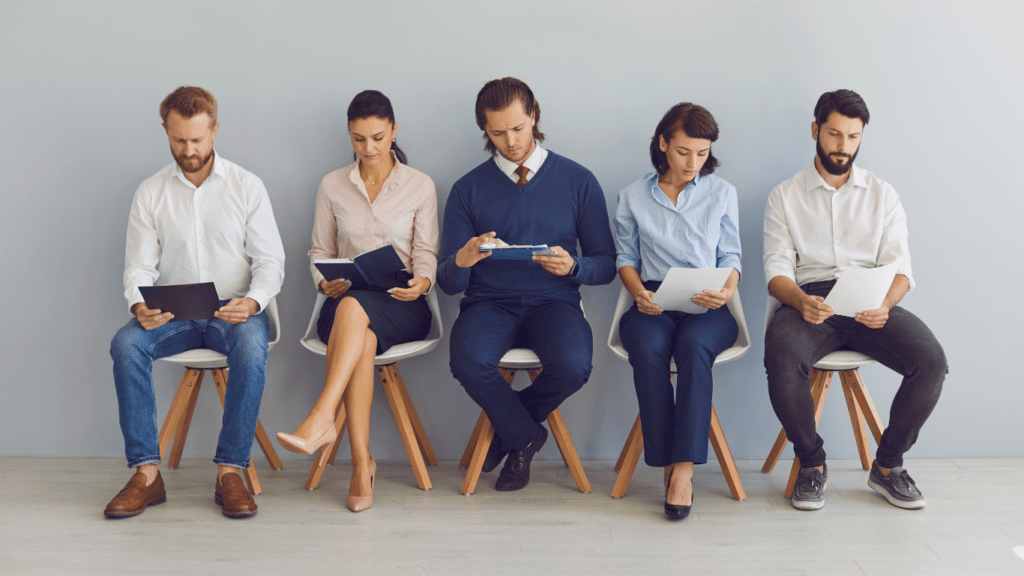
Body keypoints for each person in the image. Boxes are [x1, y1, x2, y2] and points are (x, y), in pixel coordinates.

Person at [106, 86, 285, 519]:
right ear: (166, 131)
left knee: (249, 346)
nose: (189, 150)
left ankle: (230, 473)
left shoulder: (247, 186)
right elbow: (138, 267)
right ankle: (147, 474)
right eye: (179, 140)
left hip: (234, 309)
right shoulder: (150, 193)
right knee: (125, 344)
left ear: (215, 130)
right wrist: (137, 304)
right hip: (175, 311)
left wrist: (254, 302)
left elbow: (271, 261)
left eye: (198, 140)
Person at [763, 89, 947, 511]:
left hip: (870, 300)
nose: (843, 146)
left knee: (932, 362)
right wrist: (800, 300)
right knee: (781, 357)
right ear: (815, 131)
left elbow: (901, 268)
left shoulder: (883, 194)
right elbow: (776, 271)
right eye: (833, 134)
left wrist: (885, 304)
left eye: (852, 136)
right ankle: (812, 465)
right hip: (809, 301)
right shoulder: (784, 196)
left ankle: (887, 467)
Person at [438, 77, 616, 492]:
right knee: (467, 361)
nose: (511, 141)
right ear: (484, 130)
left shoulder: (578, 180)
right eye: (497, 133)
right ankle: (524, 436)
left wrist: (573, 268)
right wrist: (463, 258)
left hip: (554, 302)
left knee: (574, 365)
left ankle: (510, 431)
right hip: (488, 303)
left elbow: (606, 264)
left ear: (534, 115)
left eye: (518, 128)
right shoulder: (467, 189)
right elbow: (448, 281)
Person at [276, 90, 438, 513]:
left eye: (379, 138)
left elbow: (426, 253)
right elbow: (318, 251)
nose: (369, 148)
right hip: (345, 297)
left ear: (394, 131)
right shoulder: (332, 184)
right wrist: (321, 280)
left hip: (401, 301)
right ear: (349, 136)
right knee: (357, 325)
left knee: (358, 315)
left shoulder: (420, 186)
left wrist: (421, 283)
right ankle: (360, 464)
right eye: (359, 139)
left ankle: (322, 418)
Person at [614, 103, 741, 520]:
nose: (693, 163)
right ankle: (665, 463)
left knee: (692, 348)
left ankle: (682, 471)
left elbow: (732, 257)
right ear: (663, 143)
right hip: (652, 298)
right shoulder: (632, 196)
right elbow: (626, 258)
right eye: (685, 151)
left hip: (708, 302)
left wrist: (726, 291)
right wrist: (637, 293)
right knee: (648, 350)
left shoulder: (722, 193)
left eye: (702, 153)